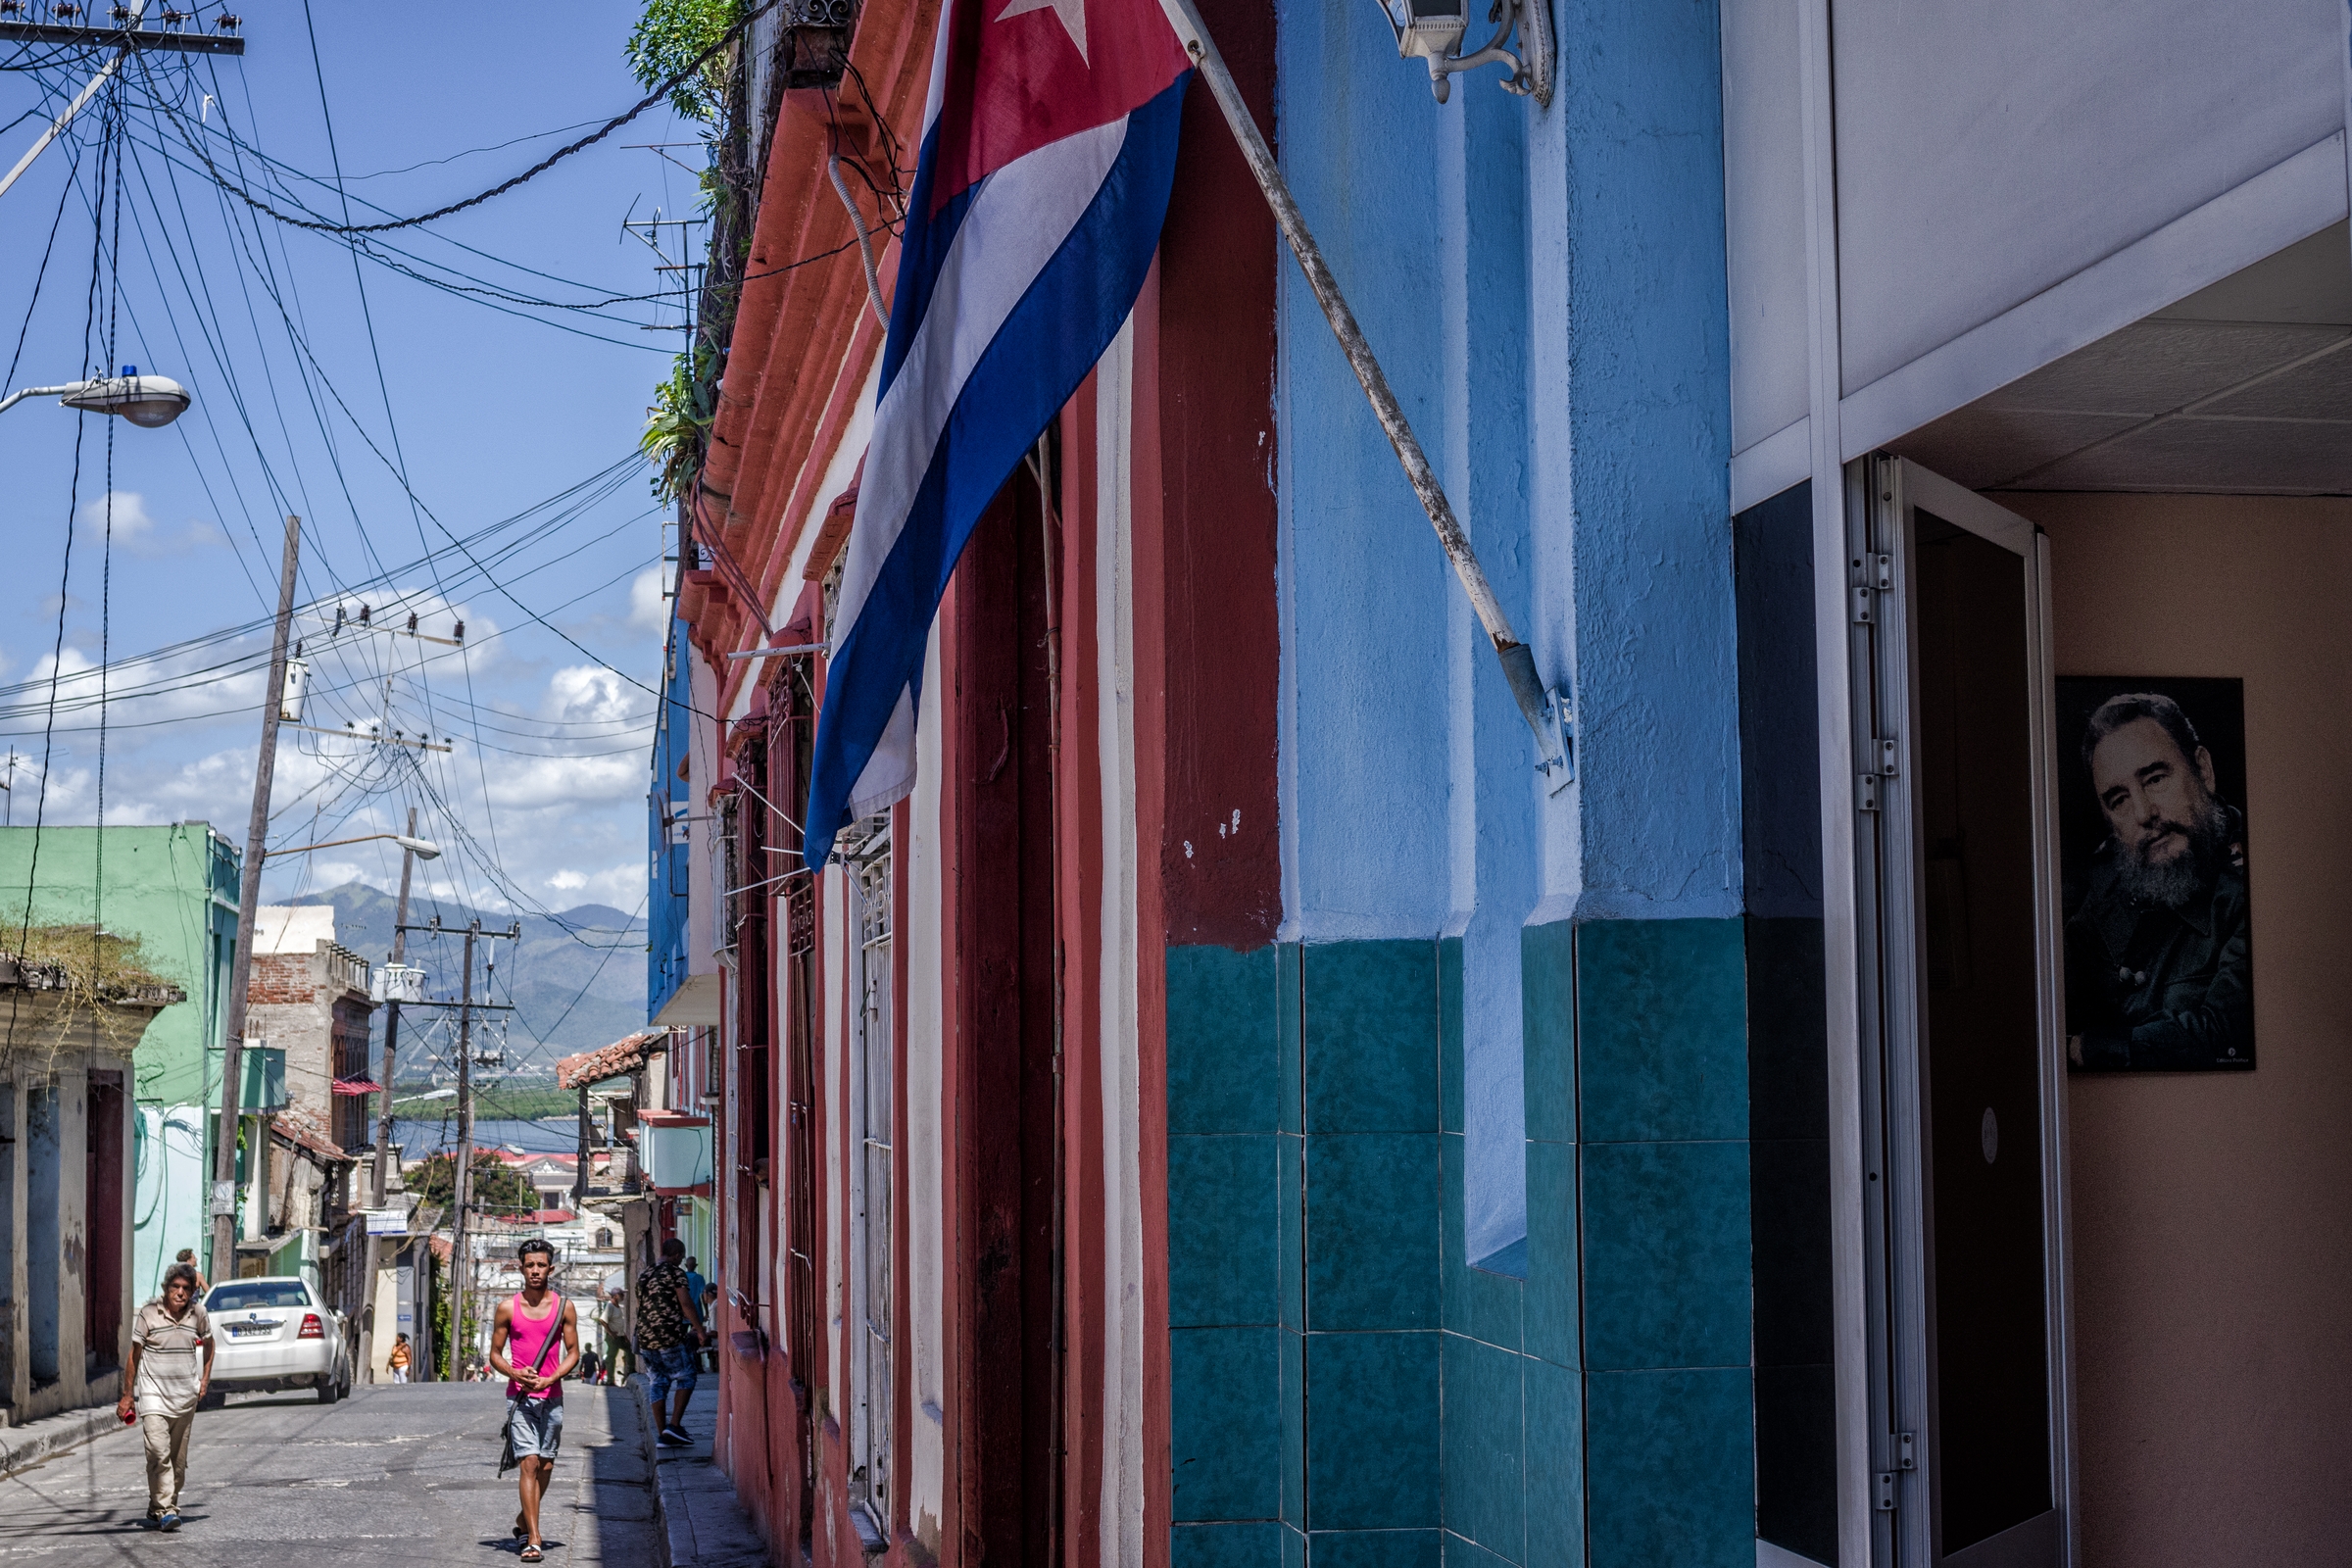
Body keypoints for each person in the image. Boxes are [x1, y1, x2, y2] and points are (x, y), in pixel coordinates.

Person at [2065, 692, 2254, 1070]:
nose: (2143, 813)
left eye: (2154, 779)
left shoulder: (2255, 888)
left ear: (2203, 770)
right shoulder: (2099, 891)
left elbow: (2222, 1032)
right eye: (2119, 800)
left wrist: (2081, 1049)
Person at [487, 1238, 579, 1564]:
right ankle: (534, 1538)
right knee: (528, 1462)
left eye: (541, 1265)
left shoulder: (564, 1307)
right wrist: (515, 1372)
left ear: (550, 1268)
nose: (535, 1271)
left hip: (552, 1397)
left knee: (546, 1465)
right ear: (521, 1268)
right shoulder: (507, 1308)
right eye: (530, 1265)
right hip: (520, 1398)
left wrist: (552, 1378)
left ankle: (524, 1520)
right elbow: (494, 1355)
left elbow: (574, 1353)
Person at [118, 1262, 213, 1532]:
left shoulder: (199, 1314)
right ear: (166, 1288)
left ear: (193, 1291)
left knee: (178, 1464)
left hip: (185, 1399)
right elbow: (134, 1355)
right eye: (176, 1287)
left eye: (186, 1288)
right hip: (153, 1396)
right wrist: (128, 1395)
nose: (181, 1293)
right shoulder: (149, 1314)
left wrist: (204, 1380)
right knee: (159, 1454)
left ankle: (157, 1505)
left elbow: (209, 1343)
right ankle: (167, 1510)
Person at [635, 1238, 708, 1448]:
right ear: (676, 1255)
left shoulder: (645, 1275)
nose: (683, 1260)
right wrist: (700, 1329)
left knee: (658, 1382)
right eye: (682, 1256)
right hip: (668, 1335)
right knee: (687, 1376)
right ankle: (674, 1426)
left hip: (646, 1338)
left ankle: (662, 1434)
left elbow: (641, 1306)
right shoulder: (675, 1273)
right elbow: (685, 1303)